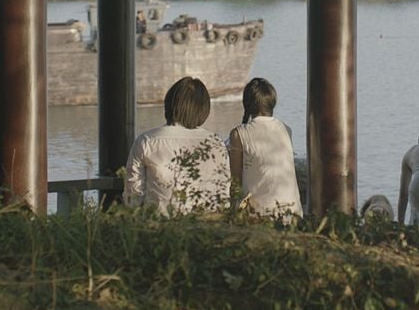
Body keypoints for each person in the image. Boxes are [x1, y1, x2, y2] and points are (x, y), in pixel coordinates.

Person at [124, 77, 230, 213]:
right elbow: (223, 193)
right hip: (208, 225)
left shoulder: (147, 141)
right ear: (203, 109)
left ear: (169, 104)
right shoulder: (216, 142)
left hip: (160, 227)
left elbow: (133, 195)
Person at [228, 78, 303, 219]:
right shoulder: (286, 129)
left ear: (247, 104)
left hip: (260, 215)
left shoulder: (239, 134)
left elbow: (235, 181)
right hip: (293, 212)